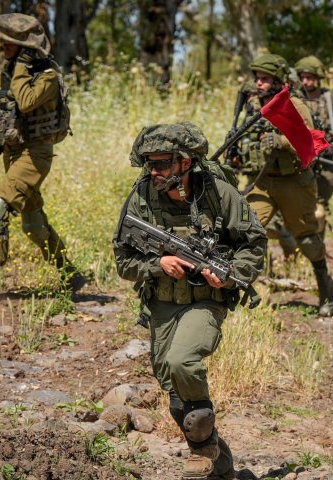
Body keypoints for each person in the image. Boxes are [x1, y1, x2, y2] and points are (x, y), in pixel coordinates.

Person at [114, 122, 266, 480]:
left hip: (206, 300)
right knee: (176, 395)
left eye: (163, 163)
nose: (154, 171)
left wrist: (229, 273)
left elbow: (254, 243)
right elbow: (123, 261)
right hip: (162, 303)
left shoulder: (219, 194)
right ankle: (221, 464)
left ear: (185, 162)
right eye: (150, 163)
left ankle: (201, 452)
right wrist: (158, 264)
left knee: (183, 362)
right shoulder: (142, 197)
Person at [0, 13, 85, 307]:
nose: (1, 47)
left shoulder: (47, 76)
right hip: (14, 154)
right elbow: (6, 111)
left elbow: (26, 101)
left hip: (35, 155)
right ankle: (70, 274)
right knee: (33, 225)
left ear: (25, 47)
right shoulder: (8, 73)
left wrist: (24, 67)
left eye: (8, 43)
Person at [233, 53, 333, 316]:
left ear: (279, 80)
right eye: (257, 78)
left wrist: (280, 142)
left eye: (265, 79)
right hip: (262, 182)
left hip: (295, 182)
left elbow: (311, 144)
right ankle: (232, 294)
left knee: (308, 240)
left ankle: (327, 295)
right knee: (245, 230)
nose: (259, 83)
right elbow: (246, 139)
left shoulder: (295, 106)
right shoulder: (252, 105)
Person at [295, 55, 333, 236]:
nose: (305, 82)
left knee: (319, 208)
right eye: (303, 77)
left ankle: (317, 247)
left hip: (325, 161)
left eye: (310, 77)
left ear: (318, 78)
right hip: (299, 160)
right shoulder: (295, 99)